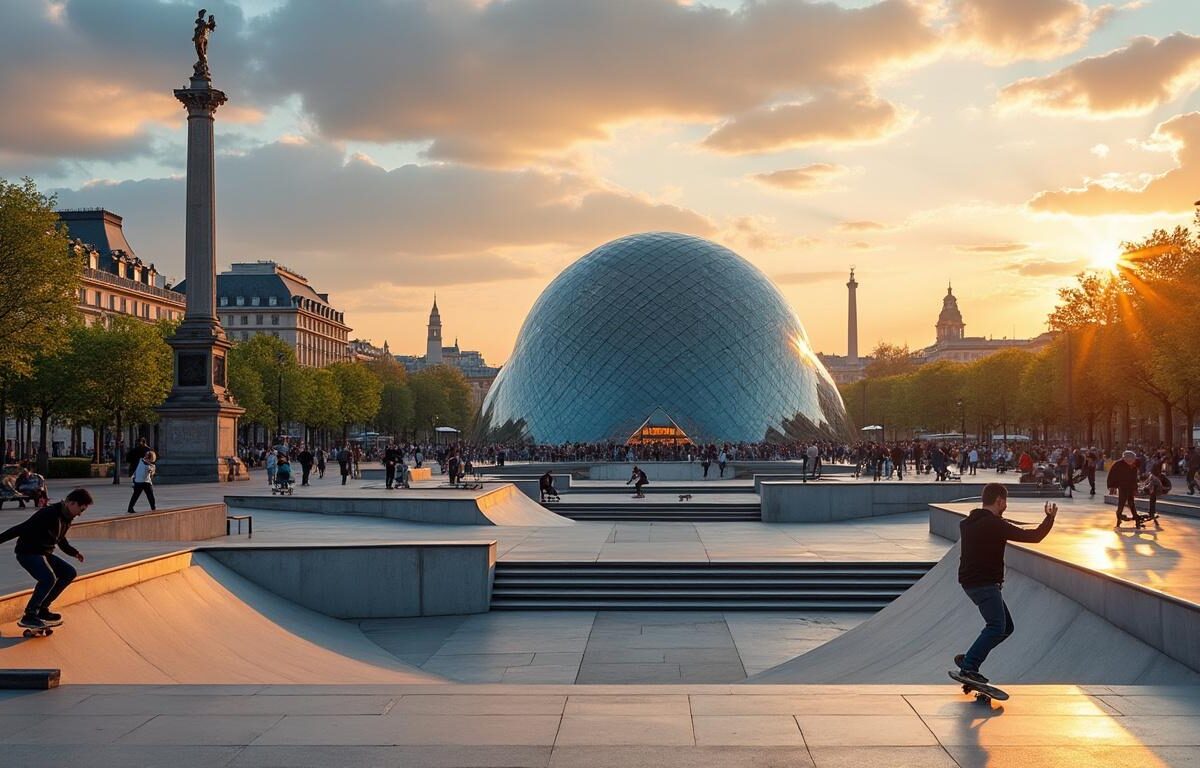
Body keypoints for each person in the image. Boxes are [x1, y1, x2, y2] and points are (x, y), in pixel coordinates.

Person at [955, 484, 1058, 685]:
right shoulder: (995, 524)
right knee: (996, 627)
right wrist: (1050, 518)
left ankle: (970, 658)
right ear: (999, 501)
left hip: (970, 583)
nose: (1006, 506)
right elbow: (1033, 537)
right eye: (1005, 502)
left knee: (1006, 627)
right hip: (985, 584)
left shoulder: (968, 522)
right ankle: (969, 666)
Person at [0, 487, 93, 630]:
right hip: (28, 553)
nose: (80, 514)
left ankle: (42, 608)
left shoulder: (66, 517)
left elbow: (60, 540)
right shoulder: (48, 513)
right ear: (72, 503)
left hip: (44, 553)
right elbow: (21, 528)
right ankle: (30, 615)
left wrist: (74, 552)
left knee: (69, 573)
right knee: (48, 579)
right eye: (81, 510)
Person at [1107, 450, 1144, 528]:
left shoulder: (1134, 466)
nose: (1131, 462)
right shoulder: (1118, 464)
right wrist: (1112, 486)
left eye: (1132, 461)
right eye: (1129, 461)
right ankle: (1119, 518)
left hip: (1130, 486)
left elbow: (1134, 478)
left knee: (1131, 503)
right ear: (1125, 459)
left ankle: (1136, 520)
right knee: (1121, 503)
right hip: (1122, 486)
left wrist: (1135, 488)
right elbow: (1111, 475)